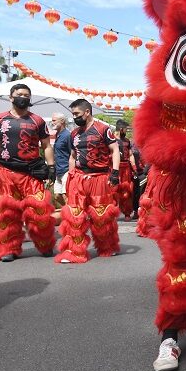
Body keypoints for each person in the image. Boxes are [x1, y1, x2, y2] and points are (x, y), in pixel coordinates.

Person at [0, 84, 57, 262]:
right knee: (6, 213)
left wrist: (51, 166)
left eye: (26, 95)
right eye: (19, 94)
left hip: (31, 173)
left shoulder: (38, 121)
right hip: (5, 173)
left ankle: (45, 244)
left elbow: (46, 146)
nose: (23, 97)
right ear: (11, 97)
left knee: (39, 211)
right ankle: (9, 249)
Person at [55, 99, 121, 263]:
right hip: (78, 178)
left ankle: (107, 247)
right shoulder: (74, 133)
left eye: (76, 114)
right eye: (72, 114)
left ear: (87, 112)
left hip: (99, 178)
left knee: (101, 216)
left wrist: (115, 172)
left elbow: (115, 150)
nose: (74, 117)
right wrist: (69, 176)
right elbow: (73, 156)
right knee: (74, 215)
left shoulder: (103, 129)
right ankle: (74, 252)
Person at [114, 119, 138, 221]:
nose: (126, 131)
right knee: (113, 191)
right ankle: (112, 213)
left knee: (126, 191)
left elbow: (131, 154)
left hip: (126, 168)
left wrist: (134, 168)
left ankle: (127, 212)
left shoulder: (127, 141)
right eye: (125, 129)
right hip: (115, 167)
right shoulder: (111, 139)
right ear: (121, 129)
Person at [50, 112, 71, 209]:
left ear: (62, 121)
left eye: (54, 120)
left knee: (65, 195)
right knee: (57, 196)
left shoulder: (67, 135)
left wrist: (72, 171)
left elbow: (73, 154)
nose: (52, 122)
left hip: (67, 170)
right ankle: (70, 211)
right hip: (58, 171)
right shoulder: (58, 135)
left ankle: (71, 217)